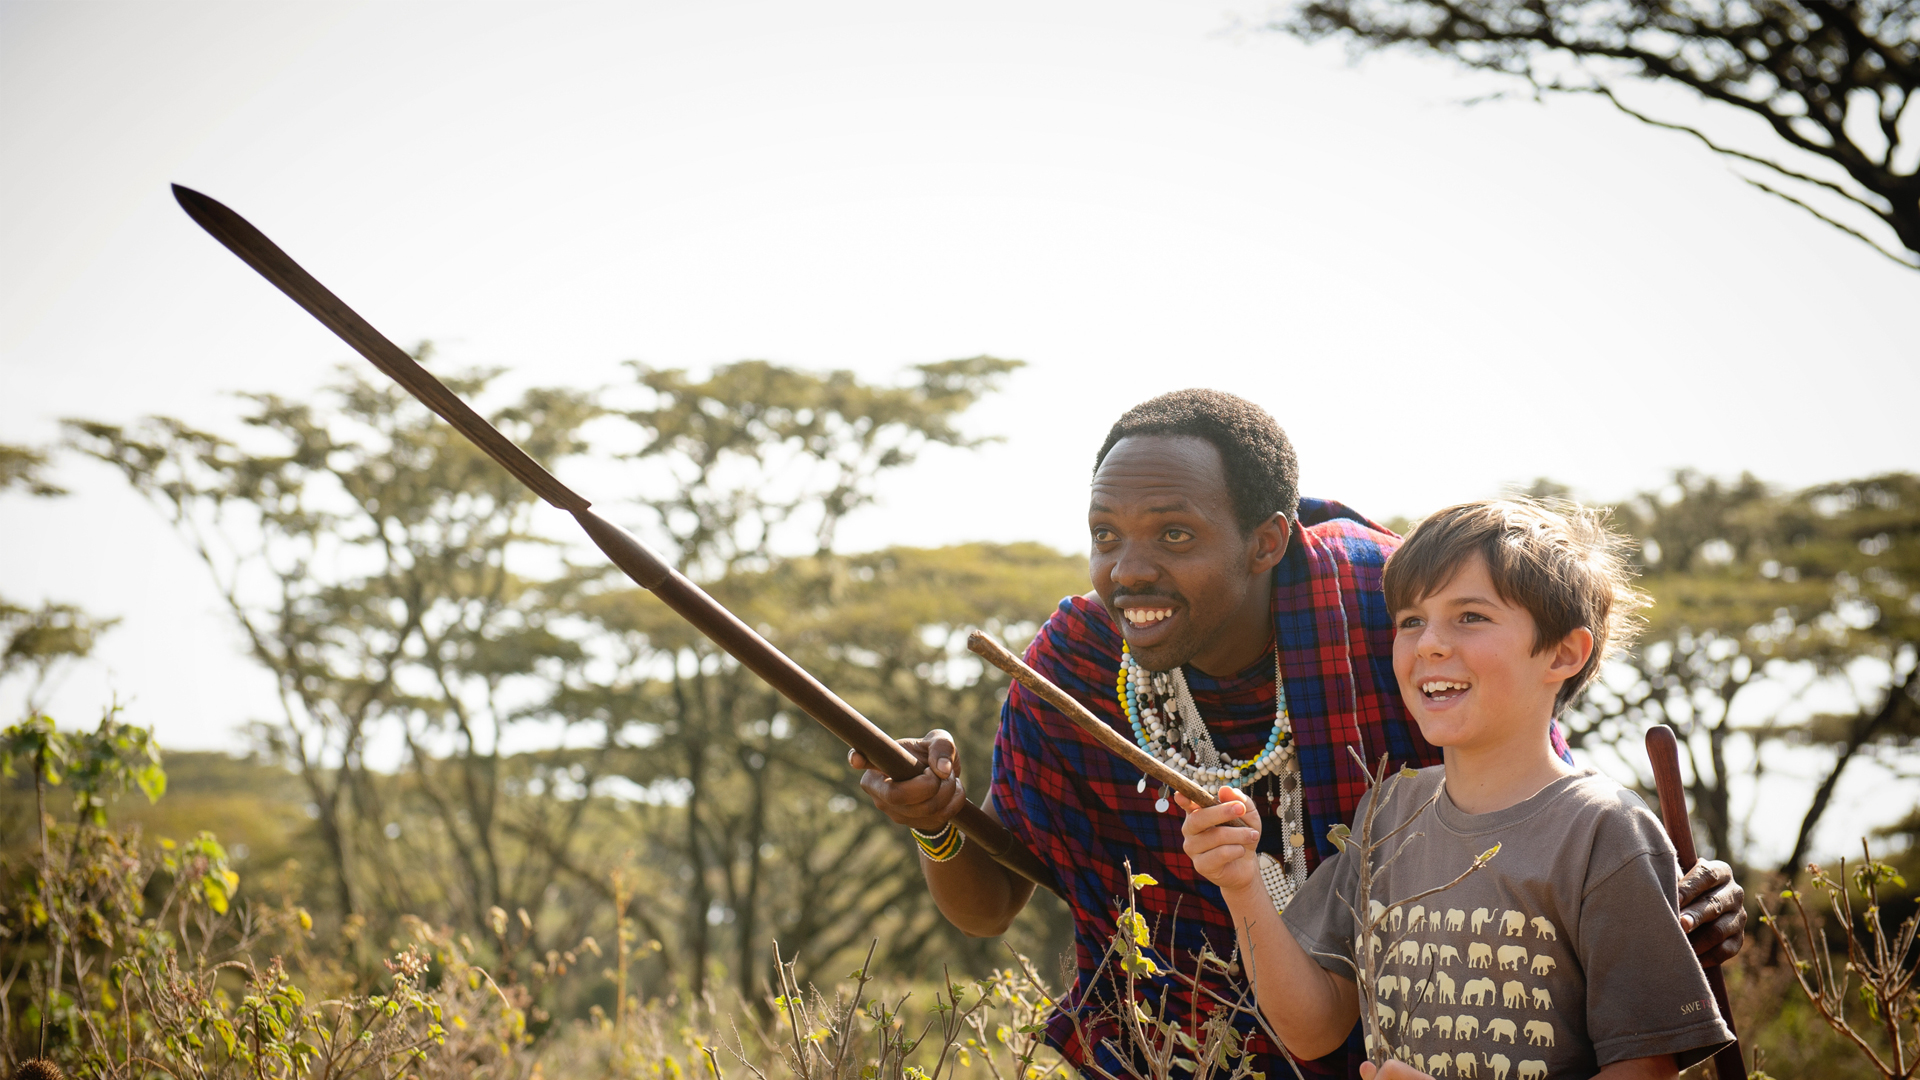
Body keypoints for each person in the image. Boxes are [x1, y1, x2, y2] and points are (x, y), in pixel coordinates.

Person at [850, 391, 1745, 1079]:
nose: (1128, 569)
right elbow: (990, 905)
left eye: (1174, 533)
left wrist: (1646, 903)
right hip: (1168, 1055)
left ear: (1268, 539)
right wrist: (939, 820)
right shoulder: (1073, 663)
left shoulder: (1384, 610)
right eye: (1104, 534)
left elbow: (1535, 814)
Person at [1181, 498, 1734, 1080]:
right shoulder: (1386, 813)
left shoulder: (1603, 829)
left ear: (1563, 653)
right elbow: (1312, 1028)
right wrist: (1240, 883)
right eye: (1411, 621)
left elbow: (1643, 1071)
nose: (1429, 645)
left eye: (1470, 616)